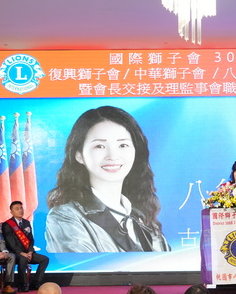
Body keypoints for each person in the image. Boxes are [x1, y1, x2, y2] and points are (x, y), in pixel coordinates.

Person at [45, 106, 169, 253]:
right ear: (79, 155)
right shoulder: (66, 217)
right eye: (100, 146)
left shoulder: (144, 221)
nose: (112, 156)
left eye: (123, 145)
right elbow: (87, 267)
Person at [3, 200, 49, 292]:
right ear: (11, 212)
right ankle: (22, 284)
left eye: (21, 208)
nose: (20, 210)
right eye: (17, 209)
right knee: (23, 259)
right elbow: (10, 243)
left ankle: (35, 283)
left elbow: (31, 239)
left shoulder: (26, 223)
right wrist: (21, 253)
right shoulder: (7, 225)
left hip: (28, 253)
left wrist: (30, 252)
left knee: (44, 259)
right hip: (15, 253)